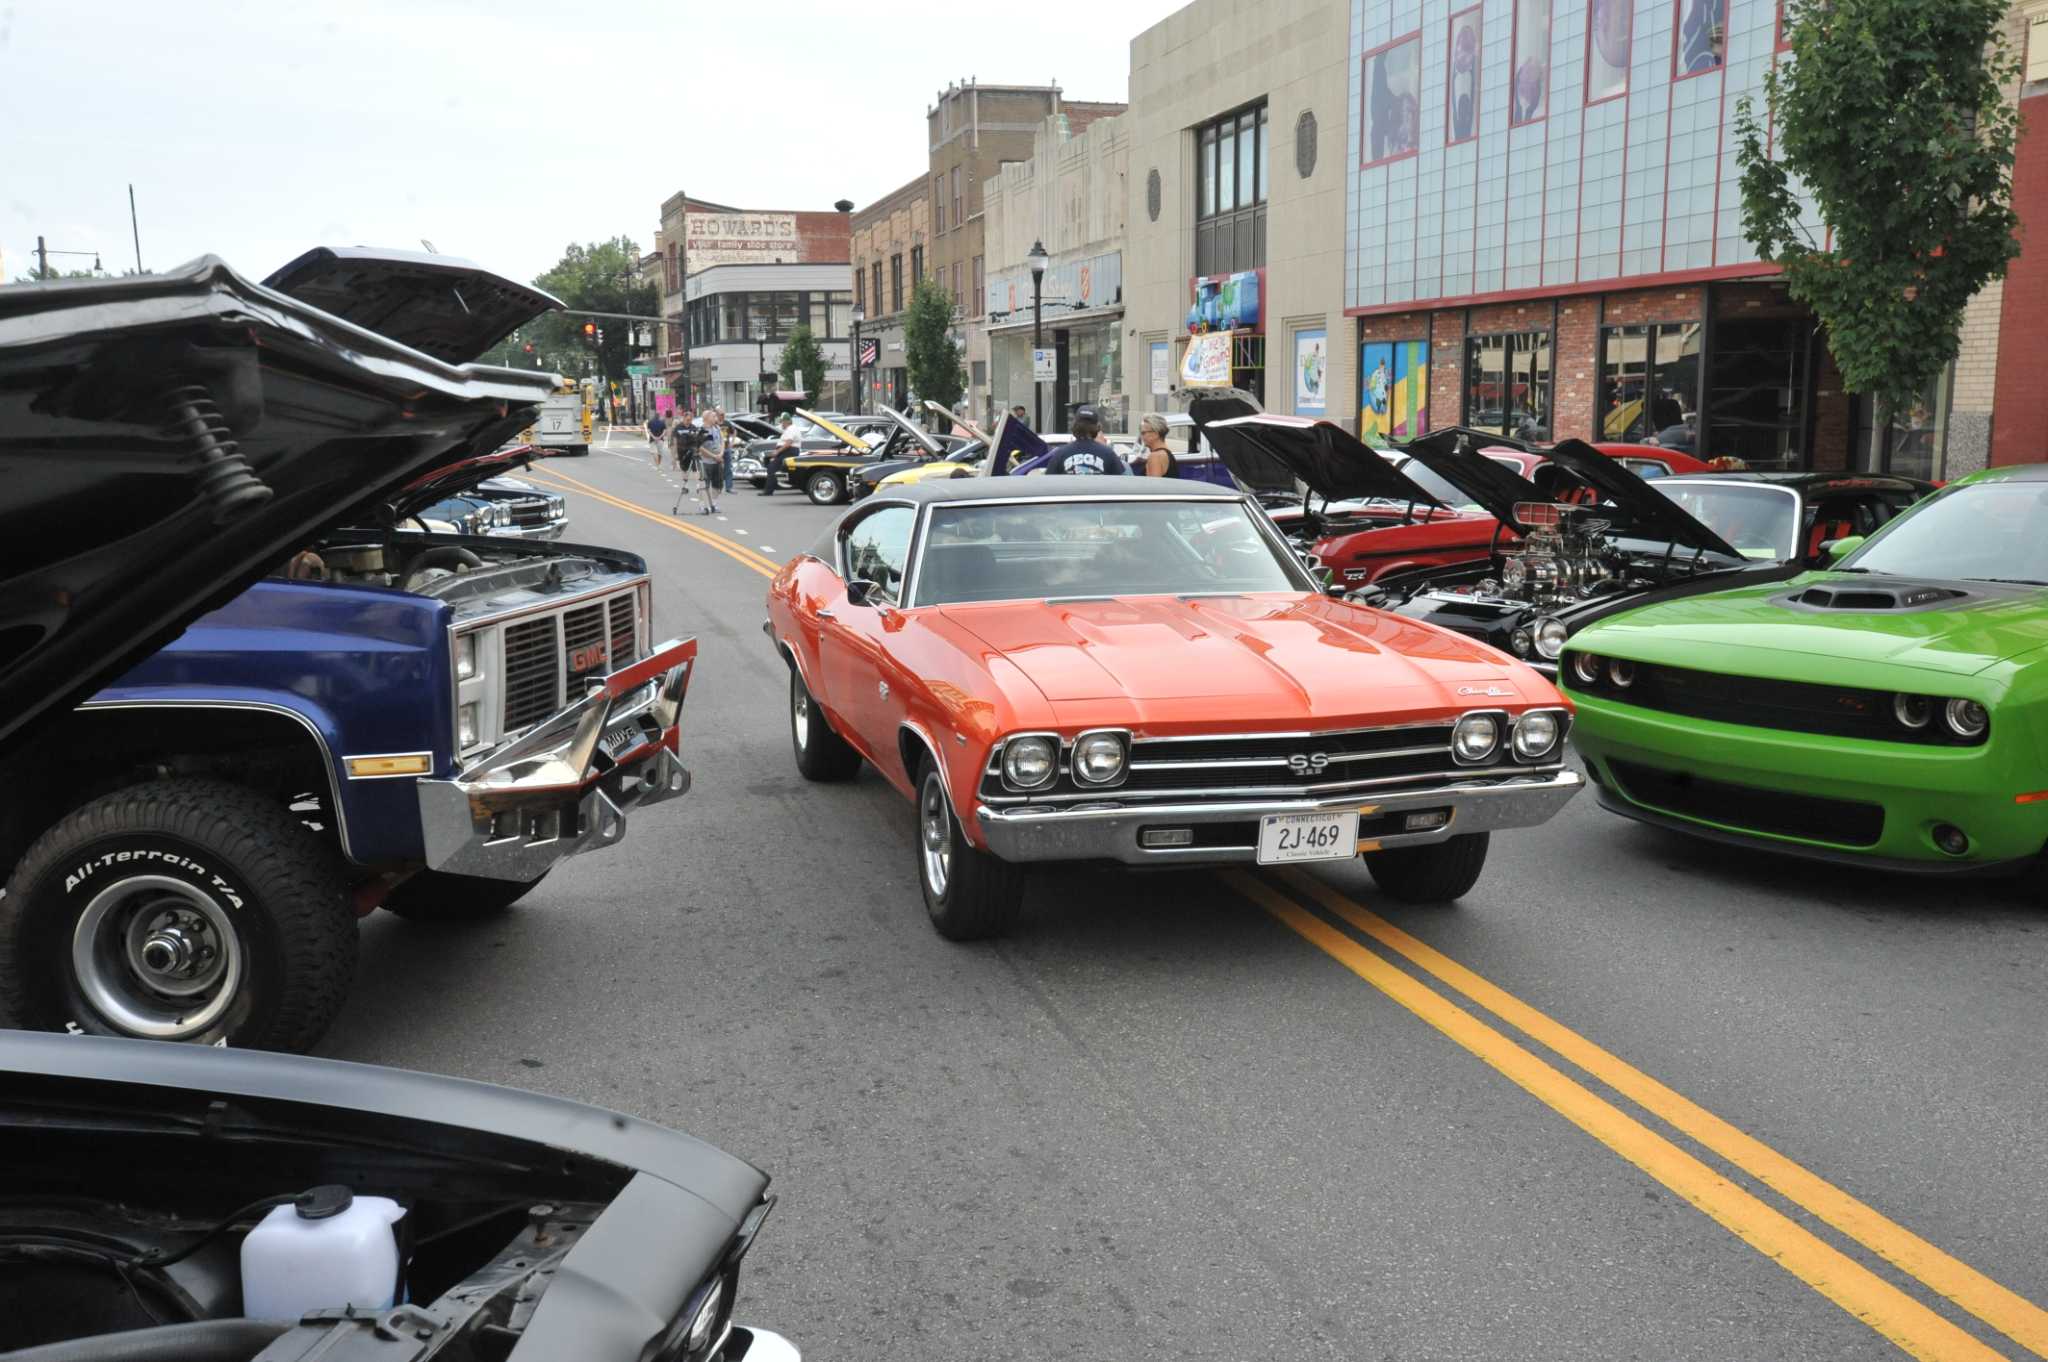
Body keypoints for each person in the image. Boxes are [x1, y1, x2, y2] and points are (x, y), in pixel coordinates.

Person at [1045, 407, 1127, 476]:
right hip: (1099, 495)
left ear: (1074, 426)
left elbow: (1048, 483)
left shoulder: (1060, 454)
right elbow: (1122, 483)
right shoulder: (1108, 453)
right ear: (1097, 427)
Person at [760, 414, 801, 496]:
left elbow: (788, 443)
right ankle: (772, 487)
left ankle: (768, 491)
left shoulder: (791, 429)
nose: (782, 424)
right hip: (788, 450)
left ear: (787, 421)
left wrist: (777, 452)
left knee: (772, 468)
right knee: (775, 469)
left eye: (782, 421)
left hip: (788, 451)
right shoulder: (790, 429)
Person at [695, 409, 726, 514]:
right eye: (713, 416)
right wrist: (713, 456)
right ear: (707, 418)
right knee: (703, 484)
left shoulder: (717, 428)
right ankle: (702, 506)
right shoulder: (701, 430)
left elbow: (722, 441)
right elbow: (699, 447)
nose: (716, 418)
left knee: (717, 484)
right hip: (706, 461)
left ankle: (714, 504)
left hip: (718, 460)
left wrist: (721, 454)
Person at [1135, 413, 1180, 478]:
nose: (1142, 437)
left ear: (1156, 433)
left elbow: (1154, 486)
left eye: (1143, 433)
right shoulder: (1166, 453)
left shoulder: (1155, 456)